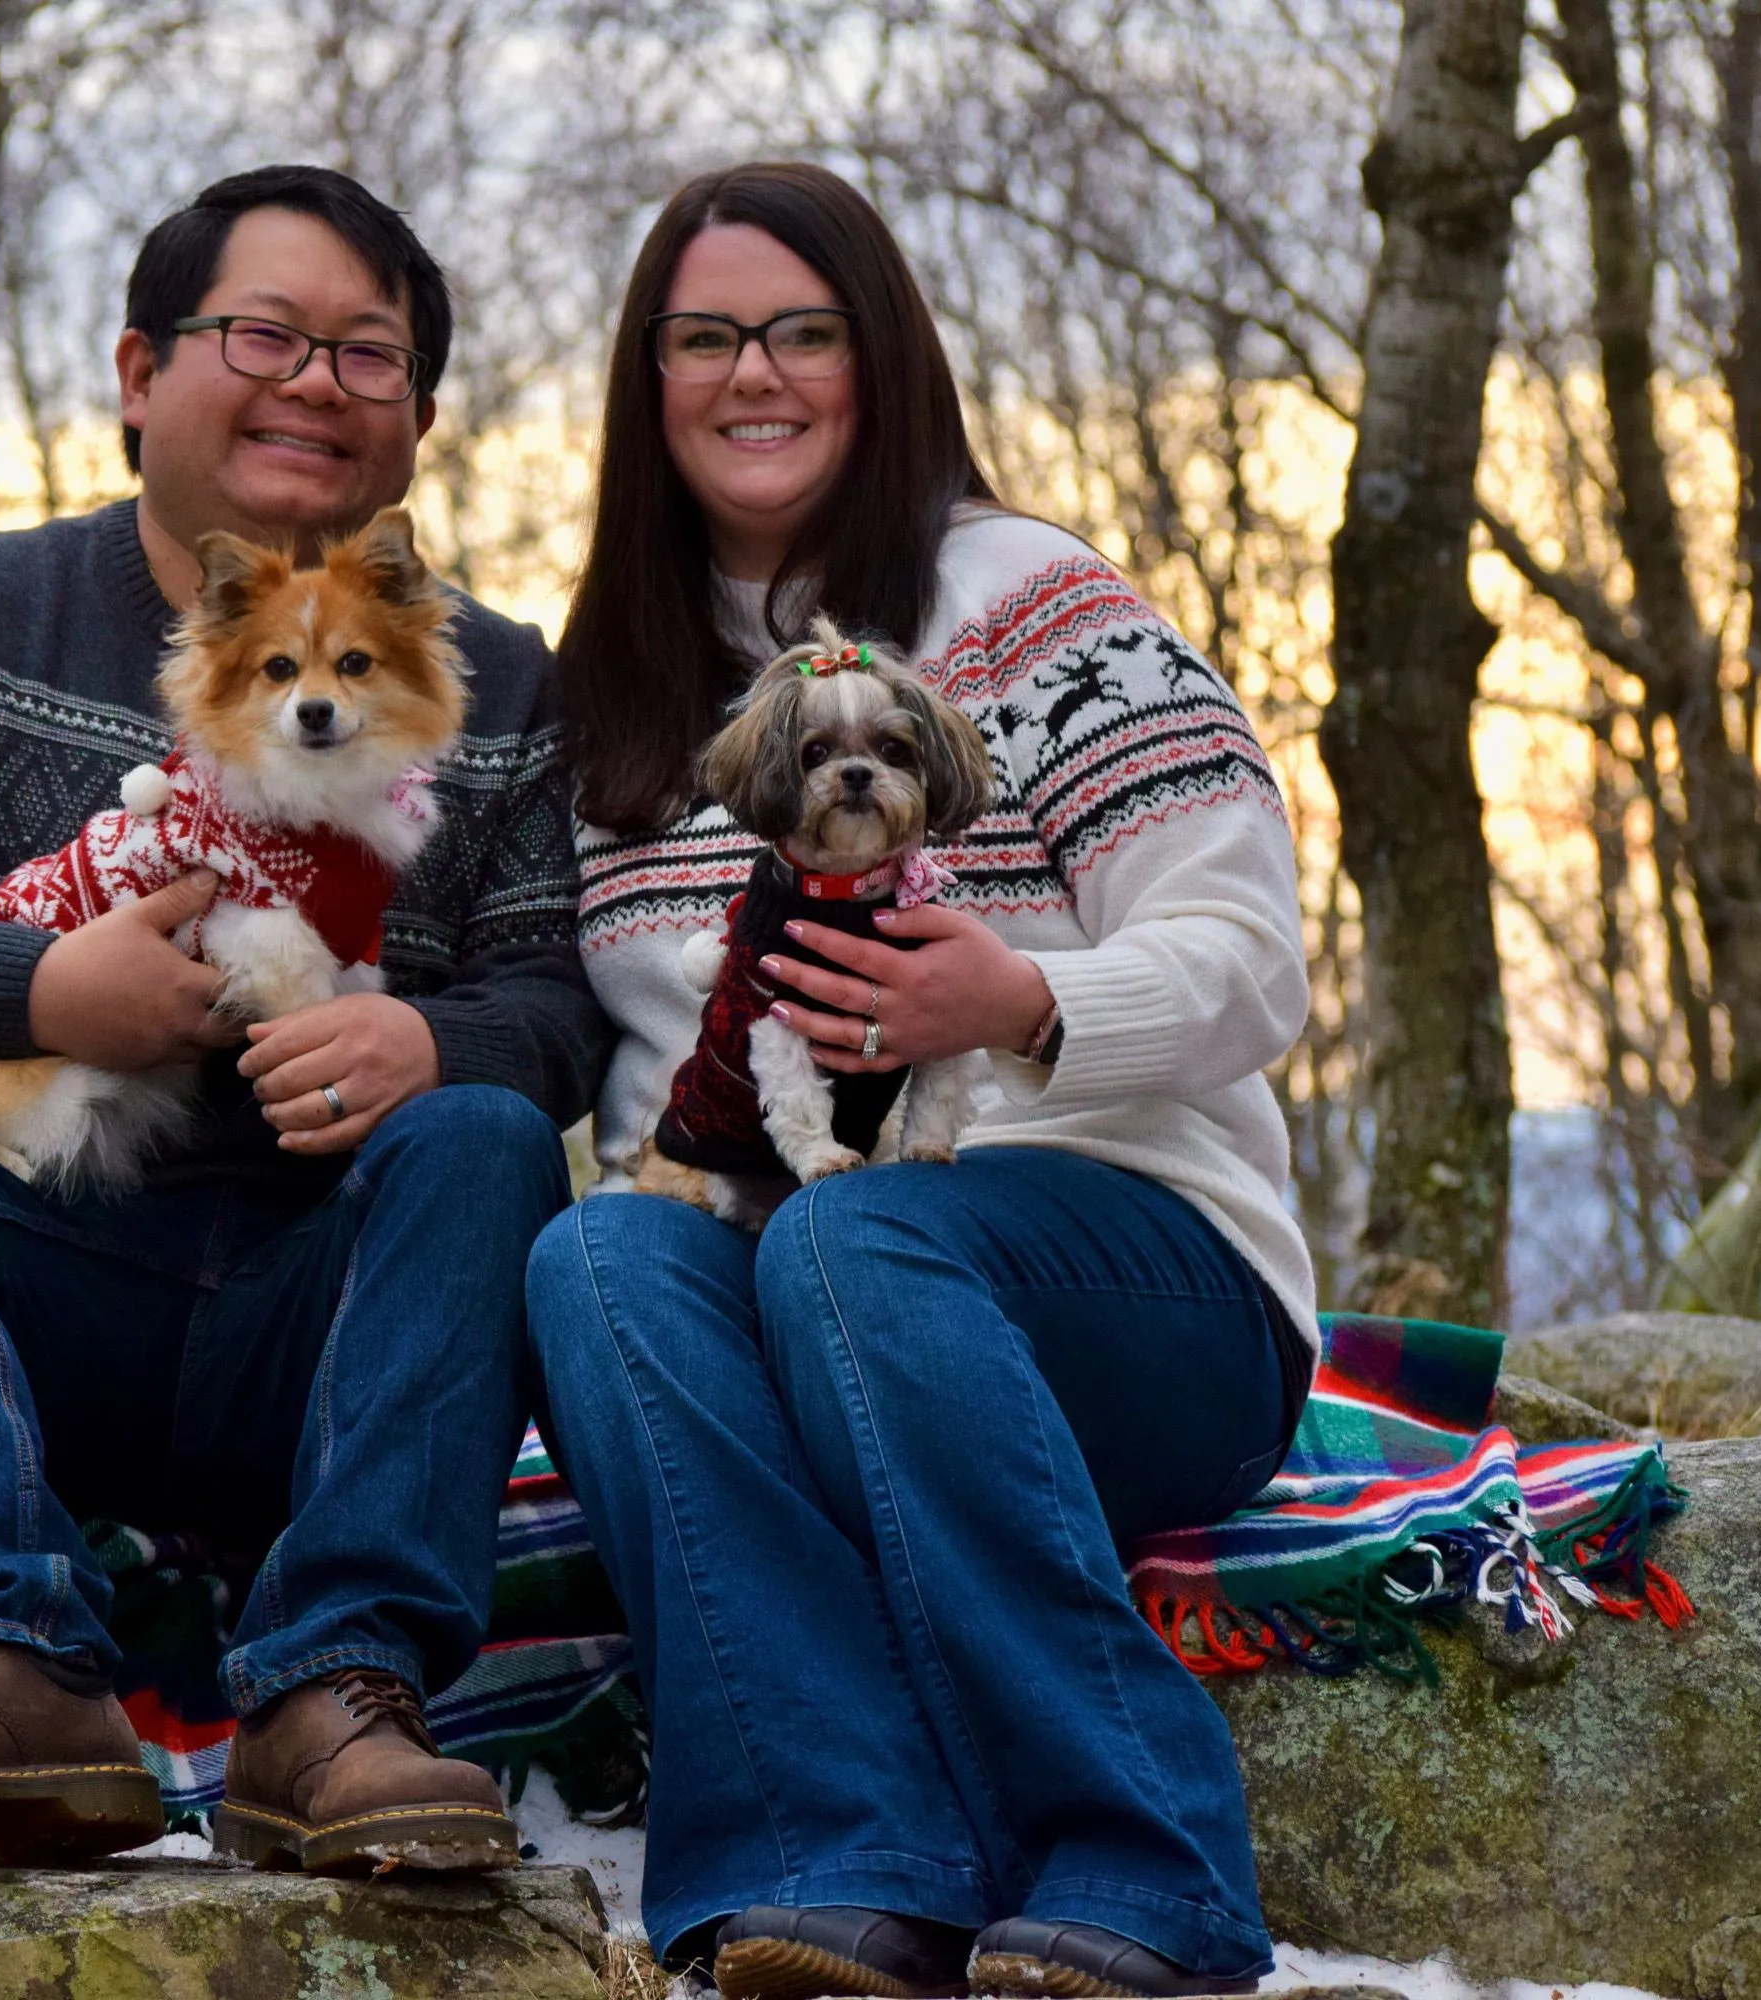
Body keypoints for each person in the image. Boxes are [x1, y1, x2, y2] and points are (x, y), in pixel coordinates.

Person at [0, 164, 608, 1870]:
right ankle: (0, 1664)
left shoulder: (498, 673)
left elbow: (561, 998)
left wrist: (439, 1044)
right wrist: (41, 985)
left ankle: (337, 1700)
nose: (316, 381)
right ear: (136, 373)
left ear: (417, 417)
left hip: (333, 1326)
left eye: (369, 354)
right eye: (265, 332)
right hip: (30, 1291)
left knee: (485, 1140)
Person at [527, 161, 1315, 1999]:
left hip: (1135, 1285)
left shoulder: (1035, 603)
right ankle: (836, 1862)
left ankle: (1145, 1866)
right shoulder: (616, 705)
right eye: (706, 337)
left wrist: (1019, 997)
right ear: (649, 381)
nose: (756, 374)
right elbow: (585, 1043)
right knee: (598, 1263)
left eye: (807, 333)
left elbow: (1251, 960)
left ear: (885, 365)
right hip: (785, 1263)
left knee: (858, 1242)